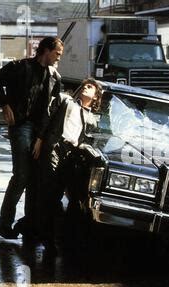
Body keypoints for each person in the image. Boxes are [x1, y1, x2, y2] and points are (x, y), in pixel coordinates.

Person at [0, 37, 64, 239]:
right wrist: (5, 104)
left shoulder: (54, 77)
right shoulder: (20, 67)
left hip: (39, 131)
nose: (59, 58)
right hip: (21, 126)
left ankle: (30, 225)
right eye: (57, 53)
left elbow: (52, 111)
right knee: (21, 174)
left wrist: (40, 138)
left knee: (35, 178)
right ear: (46, 50)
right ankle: (4, 224)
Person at [37, 78, 103, 255]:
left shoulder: (92, 119)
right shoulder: (66, 101)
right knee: (51, 192)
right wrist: (40, 140)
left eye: (90, 87)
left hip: (73, 156)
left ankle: (55, 234)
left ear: (96, 96)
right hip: (56, 148)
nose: (85, 87)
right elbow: (47, 119)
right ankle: (47, 239)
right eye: (85, 85)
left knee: (70, 197)